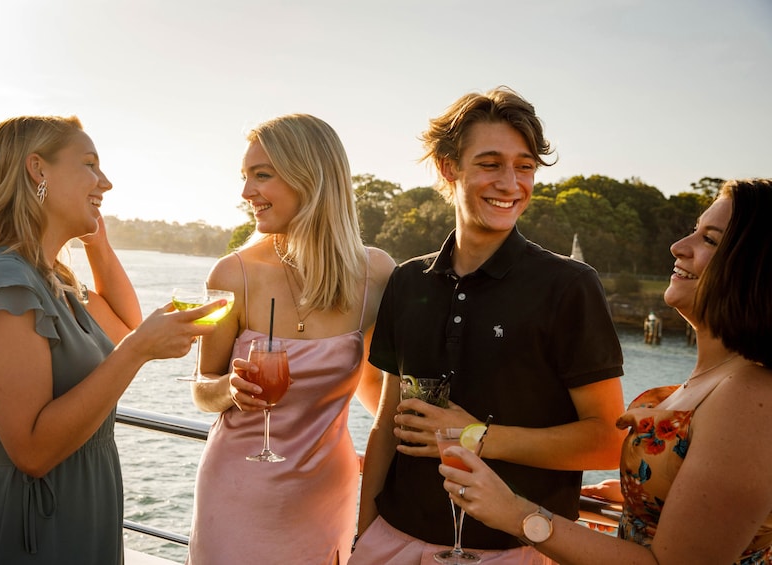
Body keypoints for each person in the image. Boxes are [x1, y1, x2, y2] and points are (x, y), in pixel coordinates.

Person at [351, 87, 626, 564]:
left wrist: (476, 434)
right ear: (447, 167)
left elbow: (608, 438)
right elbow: (385, 423)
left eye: (524, 167)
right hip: (391, 543)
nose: (511, 183)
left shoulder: (570, 286)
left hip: (514, 553)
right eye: (490, 163)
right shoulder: (406, 280)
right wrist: (363, 534)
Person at [439, 178, 772, 564]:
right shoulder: (714, 382)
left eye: (709, 240)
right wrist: (639, 494)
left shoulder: (751, 398)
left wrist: (515, 512)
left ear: (758, 270)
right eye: (693, 231)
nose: (679, 247)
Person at [0, 116, 224, 564]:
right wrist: (138, 351)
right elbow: (32, 450)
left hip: (80, 513)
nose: (105, 183)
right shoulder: (4, 283)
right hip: (28, 529)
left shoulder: (50, 278)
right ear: (39, 169)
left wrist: (96, 241)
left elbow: (124, 327)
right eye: (90, 165)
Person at [186, 113, 395, 564]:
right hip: (237, 491)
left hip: (325, 495)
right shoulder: (232, 273)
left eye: (262, 175)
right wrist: (228, 388)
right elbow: (203, 387)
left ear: (312, 177)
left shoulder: (377, 276)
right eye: (245, 177)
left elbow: (378, 390)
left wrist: (441, 449)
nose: (246, 193)